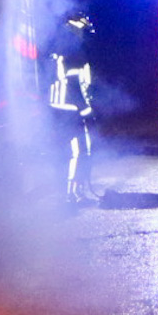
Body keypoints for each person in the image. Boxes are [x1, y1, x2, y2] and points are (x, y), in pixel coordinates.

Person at [46, 13, 97, 202]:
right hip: (69, 109)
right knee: (77, 152)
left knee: (72, 152)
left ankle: (73, 192)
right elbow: (75, 85)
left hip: (61, 108)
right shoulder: (73, 50)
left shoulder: (61, 45)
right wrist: (88, 113)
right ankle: (69, 195)